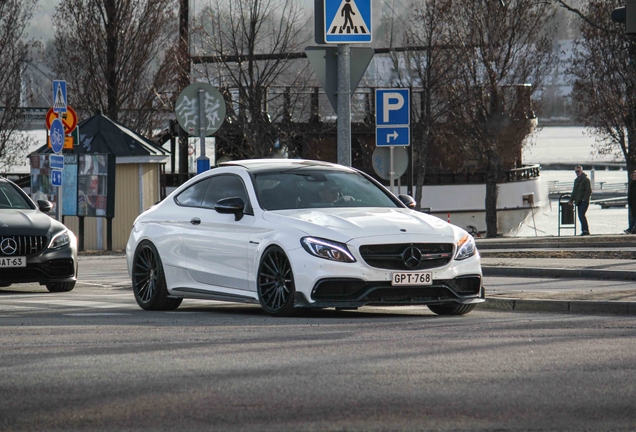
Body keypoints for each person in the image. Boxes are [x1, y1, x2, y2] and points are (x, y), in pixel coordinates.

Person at [568, 165, 592, 236]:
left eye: (578, 171)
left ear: (581, 171)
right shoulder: (576, 181)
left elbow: (588, 191)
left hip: (584, 201)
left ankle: (585, 230)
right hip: (578, 201)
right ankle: (584, 230)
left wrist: (584, 199)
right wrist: (571, 200)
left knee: (582, 215)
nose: (577, 173)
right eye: (575, 171)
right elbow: (574, 192)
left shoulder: (586, 180)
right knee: (580, 216)